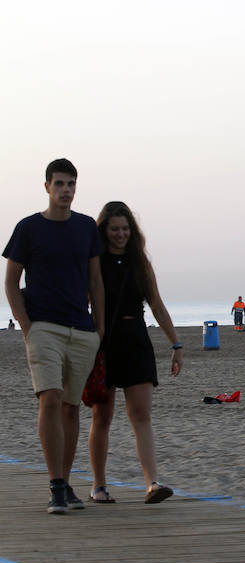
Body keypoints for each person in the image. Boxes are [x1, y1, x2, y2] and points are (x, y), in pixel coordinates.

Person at [2, 158, 104, 514]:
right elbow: (11, 282)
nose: (65, 190)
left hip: (82, 329)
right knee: (50, 398)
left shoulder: (86, 227)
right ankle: (56, 485)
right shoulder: (28, 228)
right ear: (47, 187)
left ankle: (66, 481)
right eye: (59, 184)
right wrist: (27, 325)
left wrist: (99, 327)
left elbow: (95, 281)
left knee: (72, 407)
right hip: (43, 326)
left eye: (71, 184)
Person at [87, 201, 183, 505]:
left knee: (141, 414)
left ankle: (152, 483)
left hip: (136, 341)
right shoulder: (94, 261)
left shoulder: (139, 262)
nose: (120, 234)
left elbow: (156, 304)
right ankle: (99, 485)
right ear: (104, 230)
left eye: (125, 228)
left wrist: (176, 343)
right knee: (102, 416)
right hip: (104, 343)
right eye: (114, 229)